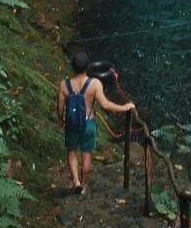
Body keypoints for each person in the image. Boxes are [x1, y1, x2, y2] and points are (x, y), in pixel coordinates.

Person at [57, 50, 135, 195]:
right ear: (88, 66)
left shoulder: (64, 84)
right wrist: (124, 107)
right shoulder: (94, 84)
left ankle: (76, 181)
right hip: (88, 123)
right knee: (86, 154)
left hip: (71, 124)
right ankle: (84, 185)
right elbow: (105, 105)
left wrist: (60, 119)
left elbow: (60, 107)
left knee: (71, 151)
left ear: (72, 66)